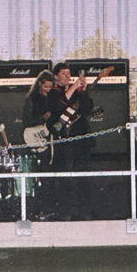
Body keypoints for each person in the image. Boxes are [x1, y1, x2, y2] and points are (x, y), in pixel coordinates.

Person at [48, 62, 94, 220]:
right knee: (66, 176)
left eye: (69, 73)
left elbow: (88, 108)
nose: (68, 76)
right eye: (64, 74)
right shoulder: (53, 93)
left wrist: (83, 91)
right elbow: (56, 106)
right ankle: (66, 210)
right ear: (56, 76)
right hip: (65, 142)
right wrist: (73, 87)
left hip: (81, 140)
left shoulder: (75, 92)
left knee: (83, 174)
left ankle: (83, 210)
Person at [22, 70, 56, 220]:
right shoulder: (31, 99)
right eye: (46, 86)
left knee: (48, 175)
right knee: (39, 176)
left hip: (47, 139)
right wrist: (42, 118)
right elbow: (27, 122)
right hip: (36, 139)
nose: (47, 90)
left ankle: (46, 209)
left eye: (50, 87)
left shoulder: (50, 99)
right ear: (40, 84)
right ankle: (38, 210)